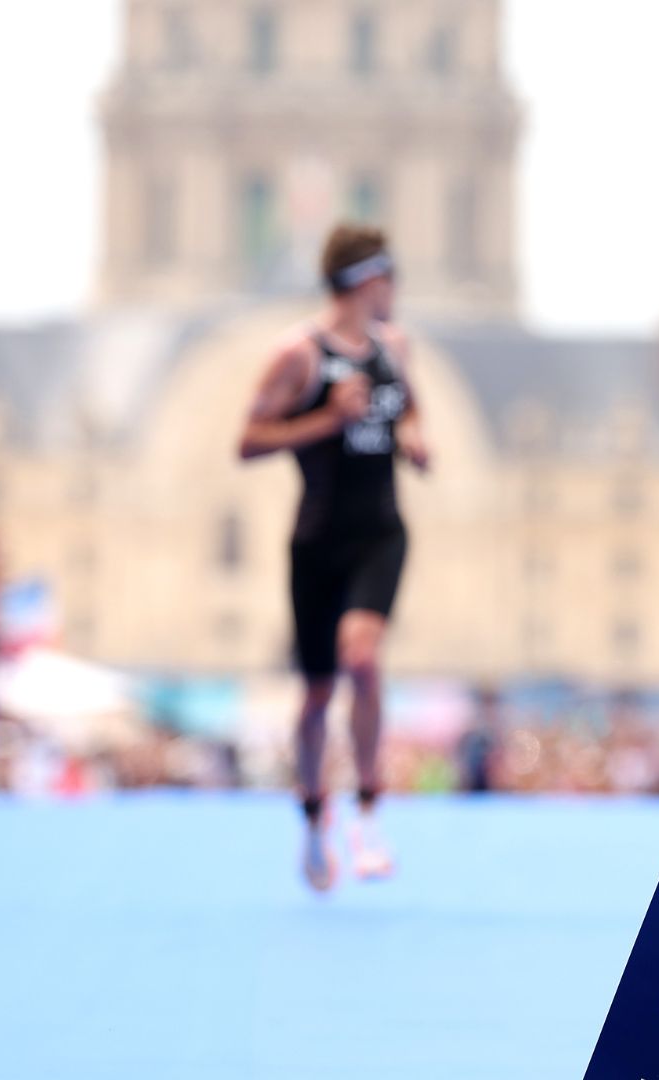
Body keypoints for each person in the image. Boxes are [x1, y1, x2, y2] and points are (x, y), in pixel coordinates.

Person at [237, 223, 429, 892]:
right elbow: (249, 440)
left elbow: (411, 413)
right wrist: (327, 420)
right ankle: (315, 818)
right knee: (318, 693)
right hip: (318, 539)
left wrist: (414, 441)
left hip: (380, 531)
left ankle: (368, 811)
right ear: (365, 281)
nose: (397, 293)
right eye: (391, 280)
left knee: (363, 657)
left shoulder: (395, 349)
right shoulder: (299, 355)